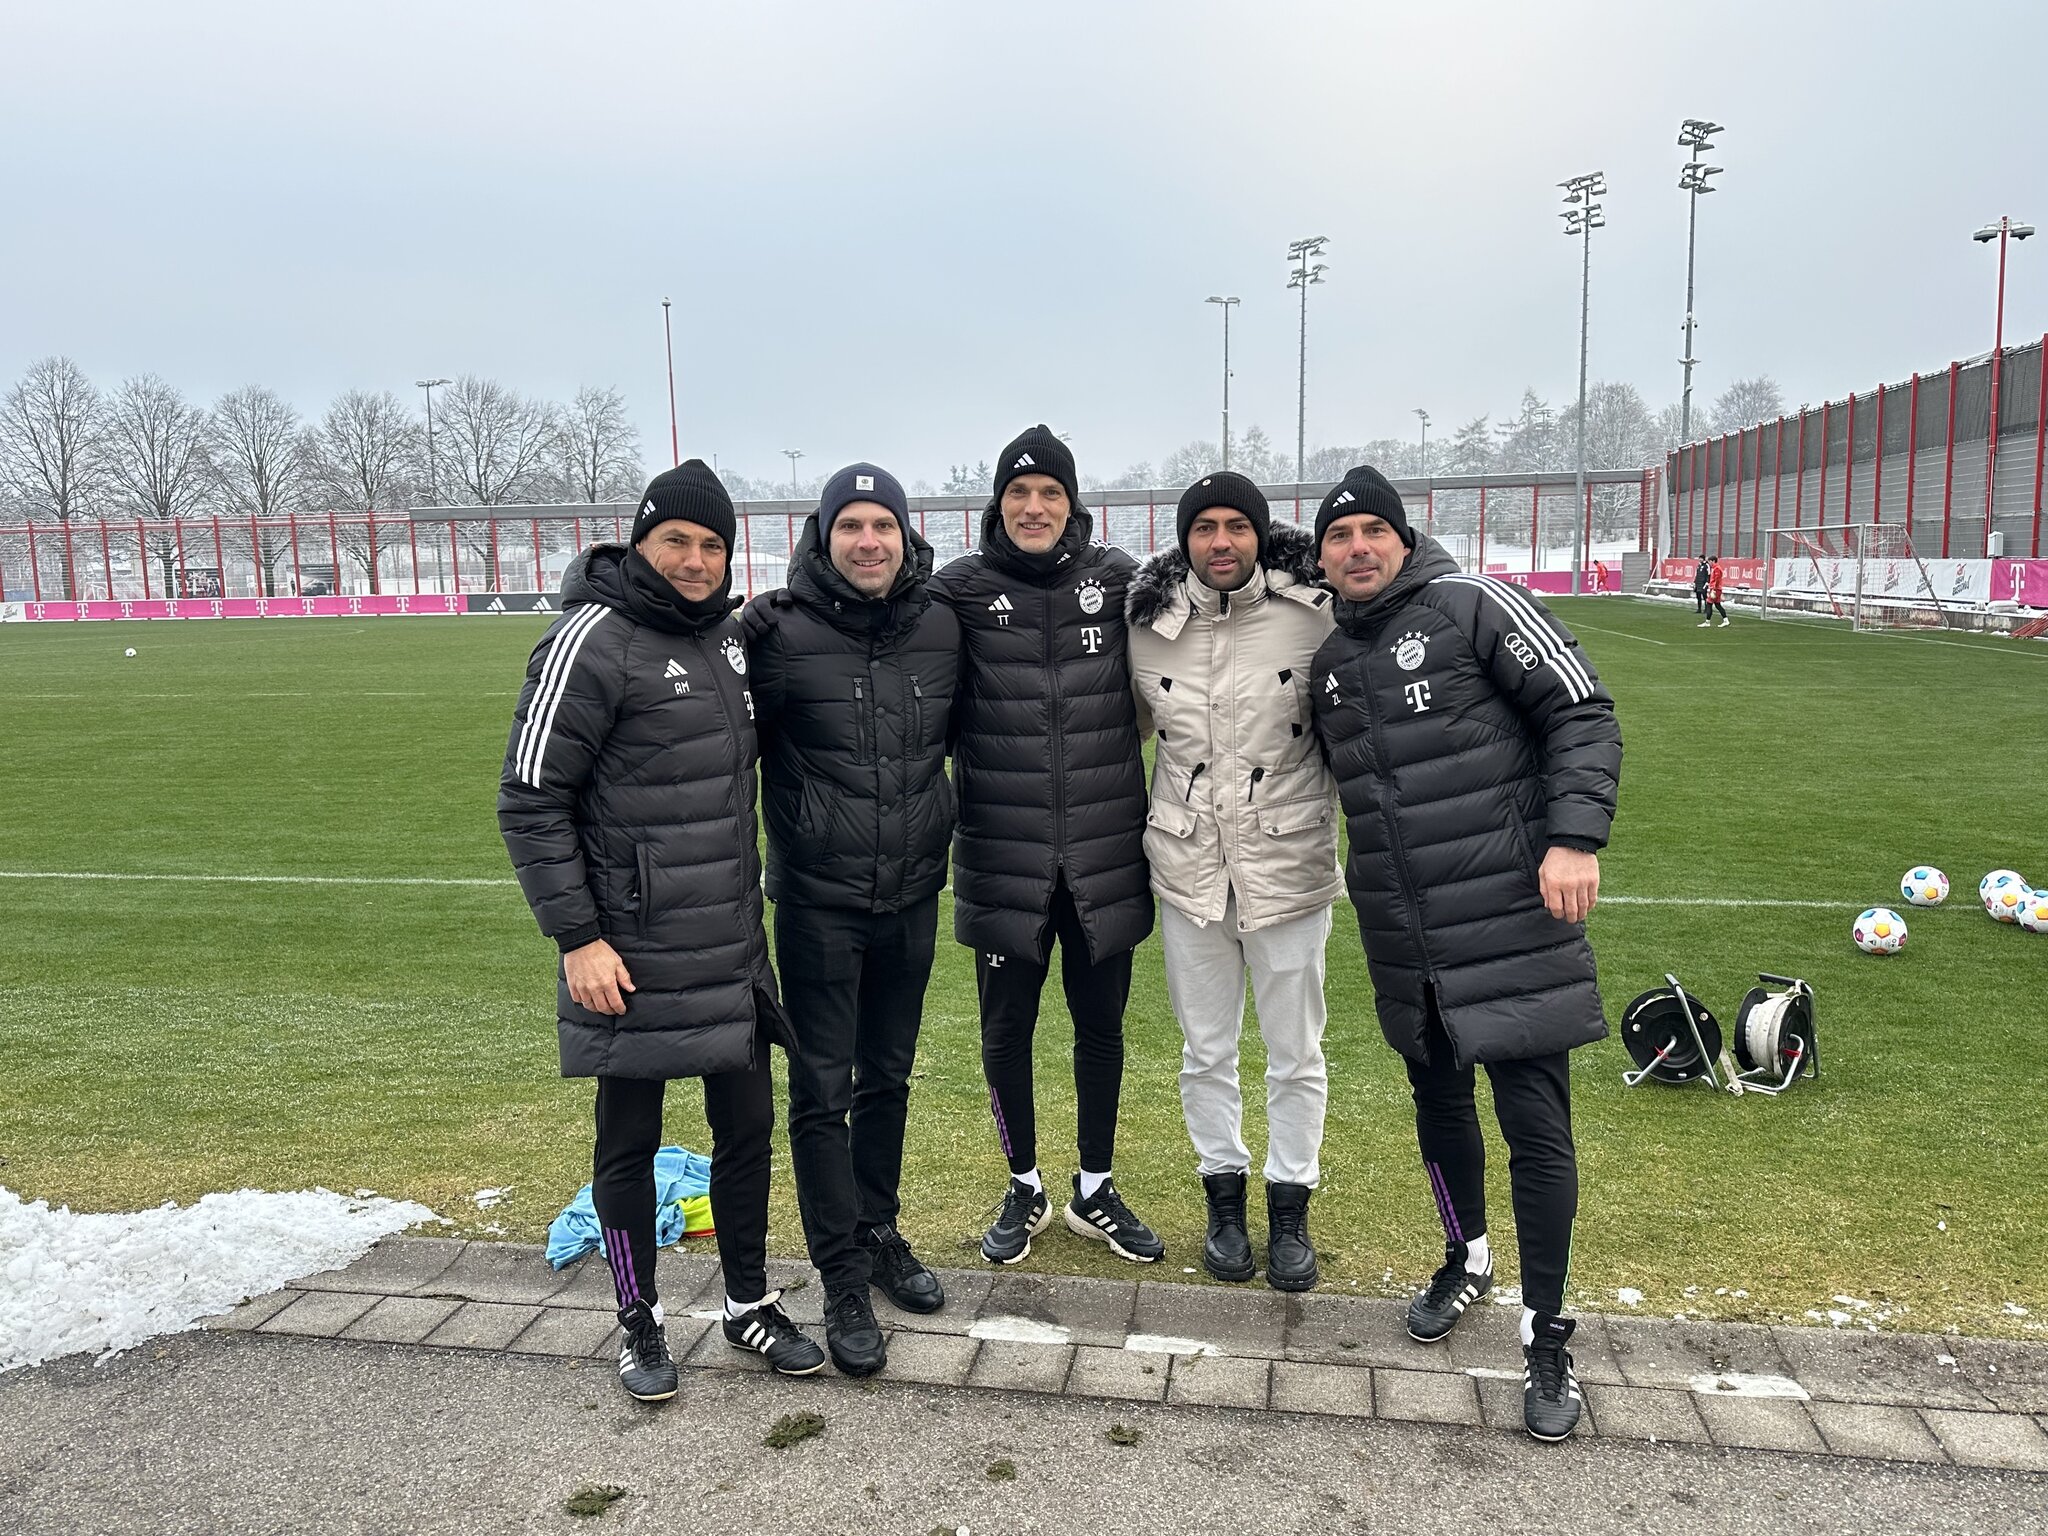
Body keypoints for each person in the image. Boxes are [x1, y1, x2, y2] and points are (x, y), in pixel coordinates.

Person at [498, 459, 825, 1404]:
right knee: (628, 1143)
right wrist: (578, 939)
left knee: (748, 1130)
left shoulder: (726, 638)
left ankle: (749, 1303)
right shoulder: (589, 641)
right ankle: (637, 1320)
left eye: (712, 545)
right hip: (626, 956)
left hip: (727, 944)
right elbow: (529, 802)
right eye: (676, 541)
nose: (694, 559)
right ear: (638, 542)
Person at [1307, 464, 1621, 1442]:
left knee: (1533, 1124)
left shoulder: (1472, 604)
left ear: (1401, 538)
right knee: (1437, 1107)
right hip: (1407, 941)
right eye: (1337, 535)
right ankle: (1465, 1256)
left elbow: (1579, 708)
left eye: (1371, 530)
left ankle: (1546, 1333)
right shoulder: (1326, 665)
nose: (1356, 547)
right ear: (1319, 558)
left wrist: (1573, 839)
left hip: (1509, 921)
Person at [741, 462, 959, 1378]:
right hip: (819, 905)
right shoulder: (773, 632)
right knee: (822, 1089)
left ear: (906, 536)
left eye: (884, 525)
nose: (868, 541)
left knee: (891, 1078)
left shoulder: (942, 623)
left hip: (911, 896)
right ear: (822, 537)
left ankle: (877, 1231)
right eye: (850, 526)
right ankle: (837, 1273)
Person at [927, 425, 1162, 1266]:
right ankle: (1024, 1183)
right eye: (1019, 494)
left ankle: (1093, 1187)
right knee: (1006, 1034)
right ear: (998, 503)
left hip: (1105, 855)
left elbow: (1219, 613)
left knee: (1101, 1029)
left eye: (1050, 494)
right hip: (1001, 854)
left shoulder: (1122, 583)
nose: (1034, 508)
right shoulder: (955, 590)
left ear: (1073, 505)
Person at [1125, 473, 1340, 1291]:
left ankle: (1291, 1207)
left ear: (1260, 535)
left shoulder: (1313, 614)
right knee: (1205, 1050)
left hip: (1289, 869)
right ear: (1185, 539)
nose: (1221, 541)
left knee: (1296, 1052)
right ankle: (1223, 1200)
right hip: (1187, 872)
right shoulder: (1148, 628)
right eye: (1205, 527)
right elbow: (1121, 732)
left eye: (1237, 527)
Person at [1699, 555, 1729, 626]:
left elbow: (1717, 580)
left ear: (1713, 561)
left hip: (1715, 589)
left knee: (1709, 603)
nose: (1709, 563)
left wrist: (1714, 589)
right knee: (1717, 605)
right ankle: (1725, 620)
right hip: (1716, 589)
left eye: (1709, 561)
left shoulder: (1717, 569)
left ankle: (1707, 622)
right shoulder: (1715, 568)